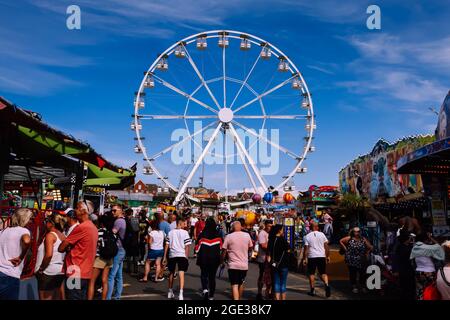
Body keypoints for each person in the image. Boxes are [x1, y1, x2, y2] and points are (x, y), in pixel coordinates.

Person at [58, 201, 98, 300]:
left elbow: (61, 248)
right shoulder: (93, 227)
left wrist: (67, 247)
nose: (74, 210)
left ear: (83, 211)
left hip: (75, 272)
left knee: (73, 297)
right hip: (85, 272)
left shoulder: (82, 227)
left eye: (77, 207)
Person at [0, 208, 32, 300]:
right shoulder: (23, 231)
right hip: (10, 274)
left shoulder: (3, 231)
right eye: (30, 219)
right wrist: (21, 257)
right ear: (24, 219)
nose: (30, 221)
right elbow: (26, 241)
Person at [35, 213, 66, 300]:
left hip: (49, 271)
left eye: (46, 221)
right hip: (60, 271)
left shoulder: (50, 235)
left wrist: (41, 269)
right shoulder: (62, 236)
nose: (45, 224)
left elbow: (49, 255)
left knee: (45, 298)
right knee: (56, 296)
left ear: (51, 223)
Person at [222, 221, 253, 300]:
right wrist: (247, 253)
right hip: (244, 265)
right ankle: (239, 298)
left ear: (232, 228)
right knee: (241, 283)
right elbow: (250, 247)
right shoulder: (247, 235)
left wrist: (222, 260)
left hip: (233, 265)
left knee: (234, 285)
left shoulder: (229, 236)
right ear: (240, 227)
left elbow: (224, 250)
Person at [88, 214, 115, 300]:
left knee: (92, 281)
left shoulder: (98, 231)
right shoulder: (111, 233)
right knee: (104, 281)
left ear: (102, 223)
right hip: (109, 258)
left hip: (100, 258)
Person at [410, 232, 444, 300]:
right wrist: (430, 238)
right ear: (425, 240)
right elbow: (440, 247)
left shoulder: (414, 247)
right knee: (431, 291)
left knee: (420, 292)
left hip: (418, 272)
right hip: (429, 272)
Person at [163, 217, 191, 300]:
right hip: (182, 254)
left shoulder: (170, 232)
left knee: (171, 273)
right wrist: (186, 256)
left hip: (172, 254)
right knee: (181, 273)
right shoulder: (185, 232)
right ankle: (181, 294)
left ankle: (169, 291)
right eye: (183, 223)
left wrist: (164, 256)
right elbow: (187, 246)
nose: (184, 225)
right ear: (180, 223)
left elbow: (167, 245)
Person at [195, 217, 223, 300]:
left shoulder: (202, 235)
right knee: (212, 277)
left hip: (203, 259)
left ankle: (205, 290)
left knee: (204, 275)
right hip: (215, 260)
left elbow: (196, 249)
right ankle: (211, 296)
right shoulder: (218, 235)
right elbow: (222, 248)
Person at [339, 227, 373, 294]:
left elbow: (370, 247)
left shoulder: (363, 239)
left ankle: (362, 287)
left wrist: (367, 253)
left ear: (360, 232)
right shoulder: (349, 238)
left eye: (358, 231)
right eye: (355, 231)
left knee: (362, 274)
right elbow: (341, 241)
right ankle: (354, 287)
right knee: (353, 273)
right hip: (351, 259)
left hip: (361, 259)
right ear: (353, 232)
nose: (357, 233)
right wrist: (346, 250)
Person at [302, 221, 331, 297]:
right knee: (323, 273)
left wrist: (304, 259)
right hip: (321, 256)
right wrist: (327, 256)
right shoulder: (322, 235)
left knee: (311, 273)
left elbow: (306, 249)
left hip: (312, 257)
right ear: (317, 227)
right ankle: (327, 285)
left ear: (311, 228)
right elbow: (326, 246)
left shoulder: (307, 236)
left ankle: (312, 290)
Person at [106, 204, 127, 300]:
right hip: (123, 249)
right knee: (119, 275)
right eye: (112, 210)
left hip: (118, 250)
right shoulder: (124, 220)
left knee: (111, 276)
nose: (112, 212)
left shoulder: (118, 221)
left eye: (114, 210)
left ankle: (108, 297)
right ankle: (117, 296)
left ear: (120, 210)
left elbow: (112, 233)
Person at [267, 224, 290, 300]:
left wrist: (270, 263)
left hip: (274, 264)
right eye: (282, 229)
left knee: (276, 283)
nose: (283, 230)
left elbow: (268, 255)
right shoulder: (283, 239)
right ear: (279, 230)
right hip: (284, 264)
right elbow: (288, 250)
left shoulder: (271, 240)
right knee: (283, 283)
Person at [393, 230, 415, 300]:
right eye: (409, 238)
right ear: (407, 239)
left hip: (403, 270)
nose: (410, 239)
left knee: (404, 288)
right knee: (409, 288)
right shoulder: (407, 248)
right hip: (407, 270)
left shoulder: (400, 247)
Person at [256, 219, 273, 300]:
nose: (270, 227)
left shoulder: (272, 233)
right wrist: (272, 248)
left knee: (270, 276)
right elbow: (263, 246)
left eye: (271, 226)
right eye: (268, 226)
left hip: (270, 259)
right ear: (265, 225)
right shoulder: (262, 233)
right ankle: (259, 293)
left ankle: (268, 292)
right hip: (262, 259)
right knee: (262, 276)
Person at [124, 208, 140, 275]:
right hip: (135, 240)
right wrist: (138, 239)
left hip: (128, 240)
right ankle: (135, 269)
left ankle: (129, 269)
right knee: (135, 256)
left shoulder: (125, 220)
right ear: (132, 213)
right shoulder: (136, 220)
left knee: (128, 255)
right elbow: (138, 230)